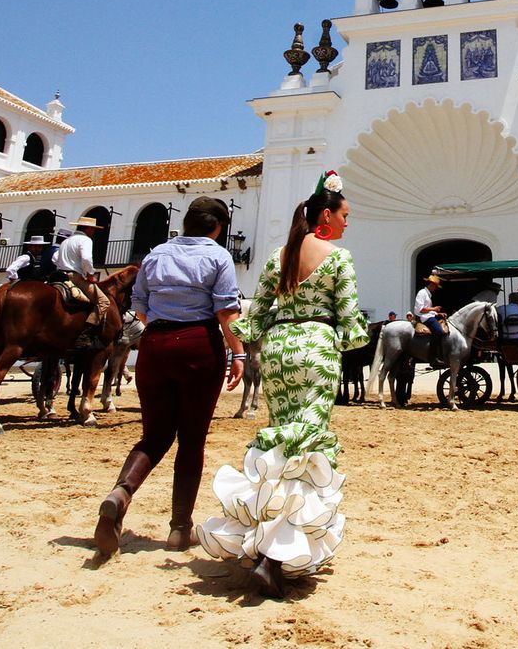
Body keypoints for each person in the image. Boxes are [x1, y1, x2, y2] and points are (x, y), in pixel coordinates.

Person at [197, 170, 369, 599]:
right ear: (326, 216)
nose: (348, 222)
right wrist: (348, 336)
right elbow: (351, 322)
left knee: (280, 443)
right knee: (307, 445)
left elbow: (254, 317)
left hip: (277, 350)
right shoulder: (339, 258)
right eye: (345, 215)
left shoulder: (279, 256)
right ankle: (276, 556)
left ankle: (261, 539)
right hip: (316, 350)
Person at [93, 197, 244, 560]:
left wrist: (165, 330)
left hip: (155, 345)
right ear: (217, 227)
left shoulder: (156, 254)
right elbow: (226, 311)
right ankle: (179, 528)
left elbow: (140, 308)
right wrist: (238, 352)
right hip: (198, 345)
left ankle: (121, 492)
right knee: (191, 440)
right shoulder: (218, 256)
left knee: (154, 436)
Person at [56, 217, 101, 309]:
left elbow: (56, 259)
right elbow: (86, 258)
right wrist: (90, 275)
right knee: (103, 302)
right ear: (89, 228)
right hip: (74, 278)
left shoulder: (66, 241)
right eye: (93, 229)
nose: (93, 232)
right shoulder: (85, 240)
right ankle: (91, 319)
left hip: (59, 276)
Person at [414, 273, 445, 337]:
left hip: (428, 316)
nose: (435, 288)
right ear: (431, 284)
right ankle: (433, 344)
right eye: (435, 286)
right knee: (439, 331)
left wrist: (438, 314)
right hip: (424, 317)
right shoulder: (422, 293)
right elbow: (421, 309)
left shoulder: (427, 294)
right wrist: (434, 309)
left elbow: (428, 310)